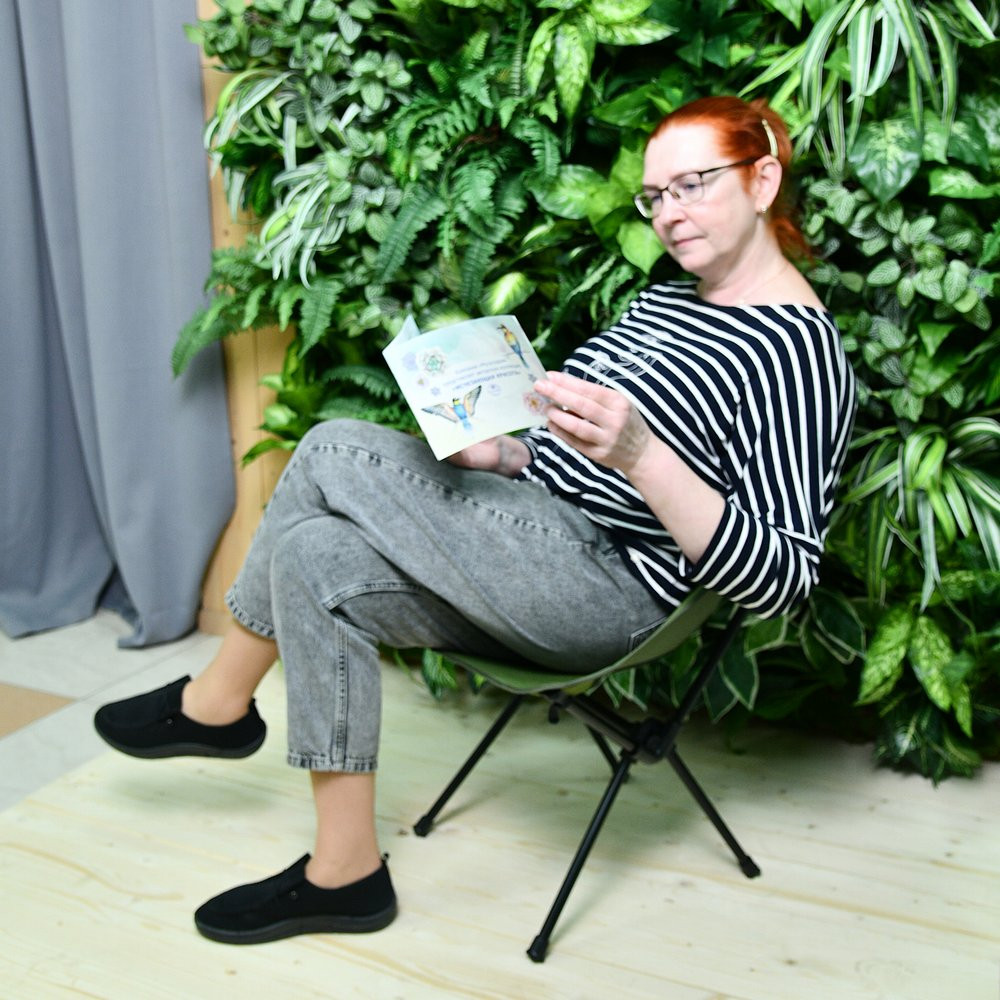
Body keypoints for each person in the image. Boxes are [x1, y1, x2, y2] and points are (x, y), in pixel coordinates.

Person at [94, 95, 856, 945]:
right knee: (315, 555)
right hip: (528, 537)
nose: (669, 213)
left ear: (762, 181)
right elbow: (566, 455)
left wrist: (644, 455)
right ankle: (345, 875)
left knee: (335, 446)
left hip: (613, 595)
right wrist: (500, 456)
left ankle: (217, 703)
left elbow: (781, 579)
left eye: (693, 185)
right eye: (654, 196)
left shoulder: (798, 354)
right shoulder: (667, 302)